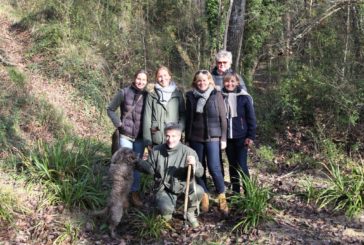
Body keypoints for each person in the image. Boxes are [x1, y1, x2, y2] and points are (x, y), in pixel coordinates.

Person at [136, 122, 204, 228]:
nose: (170, 139)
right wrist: (137, 162)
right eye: (167, 136)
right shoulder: (156, 150)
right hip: (164, 188)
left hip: (183, 186)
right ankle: (166, 211)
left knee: (199, 191)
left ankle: (190, 213)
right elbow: (150, 169)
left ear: (180, 136)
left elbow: (200, 173)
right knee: (166, 212)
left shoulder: (189, 152)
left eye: (173, 136)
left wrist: (194, 164)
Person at [185, 70, 229, 215]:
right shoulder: (191, 96)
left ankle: (222, 196)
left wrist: (223, 138)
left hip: (213, 138)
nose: (202, 83)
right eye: (199, 81)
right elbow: (188, 119)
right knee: (200, 168)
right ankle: (204, 196)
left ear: (209, 81)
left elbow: (223, 118)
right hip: (196, 138)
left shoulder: (216, 95)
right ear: (195, 82)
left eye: (204, 80)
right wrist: (187, 138)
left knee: (214, 167)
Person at [107, 69, 148, 207]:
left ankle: (134, 193)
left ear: (146, 82)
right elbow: (110, 109)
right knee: (124, 166)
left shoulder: (148, 96)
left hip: (140, 138)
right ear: (134, 78)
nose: (140, 81)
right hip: (125, 135)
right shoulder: (124, 92)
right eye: (138, 78)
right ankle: (122, 196)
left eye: (143, 80)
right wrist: (118, 123)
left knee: (136, 165)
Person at [221, 72, 256, 193]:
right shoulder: (220, 96)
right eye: (227, 81)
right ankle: (235, 191)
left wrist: (250, 136)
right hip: (228, 138)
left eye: (232, 81)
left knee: (242, 165)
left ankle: (248, 192)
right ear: (223, 83)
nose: (229, 84)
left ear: (237, 82)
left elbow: (251, 118)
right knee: (232, 166)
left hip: (241, 137)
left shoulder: (244, 97)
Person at [143, 66, 186, 149]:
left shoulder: (178, 94)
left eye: (165, 75)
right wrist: (147, 140)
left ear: (170, 76)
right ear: (156, 78)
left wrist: (179, 130)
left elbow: (183, 115)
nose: (163, 78)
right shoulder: (151, 94)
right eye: (160, 76)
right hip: (157, 137)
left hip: (174, 139)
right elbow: (147, 118)